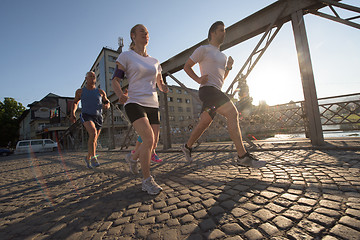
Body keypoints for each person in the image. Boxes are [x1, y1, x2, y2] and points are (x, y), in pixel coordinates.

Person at [181, 21, 266, 168]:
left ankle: (187, 146)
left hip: (216, 91)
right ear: (212, 33)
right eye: (221, 30)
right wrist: (198, 79)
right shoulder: (203, 49)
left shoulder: (223, 56)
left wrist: (229, 68)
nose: (224, 33)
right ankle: (242, 156)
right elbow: (186, 67)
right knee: (232, 113)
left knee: (204, 123)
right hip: (207, 90)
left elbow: (221, 79)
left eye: (224, 30)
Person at [112, 24, 168, 195]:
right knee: (148, 138)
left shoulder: (155, 61)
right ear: (133, 36)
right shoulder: (126, 56)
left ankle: (133, 157)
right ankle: (146, 180)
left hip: (153, 104)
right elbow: (116, 79)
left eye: (147, 33)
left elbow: (159, 82)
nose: (146, 34)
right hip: (134, 102)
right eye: (142, 32)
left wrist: (164, 87)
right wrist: (120, 93)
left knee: (152, 143)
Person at [71, 71, 110, 169]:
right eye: (90, 76)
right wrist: (73, 113)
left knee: (95, 140)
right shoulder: (80, 91)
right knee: (93, 133)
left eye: (94, 76)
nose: (92, 78)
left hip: (98, 116)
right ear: (86, 79)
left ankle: (87, 157)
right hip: (86, 115)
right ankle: (93, 158)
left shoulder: (101, 92)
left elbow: (107, 101)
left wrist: (107, 105)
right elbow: (75, 103)